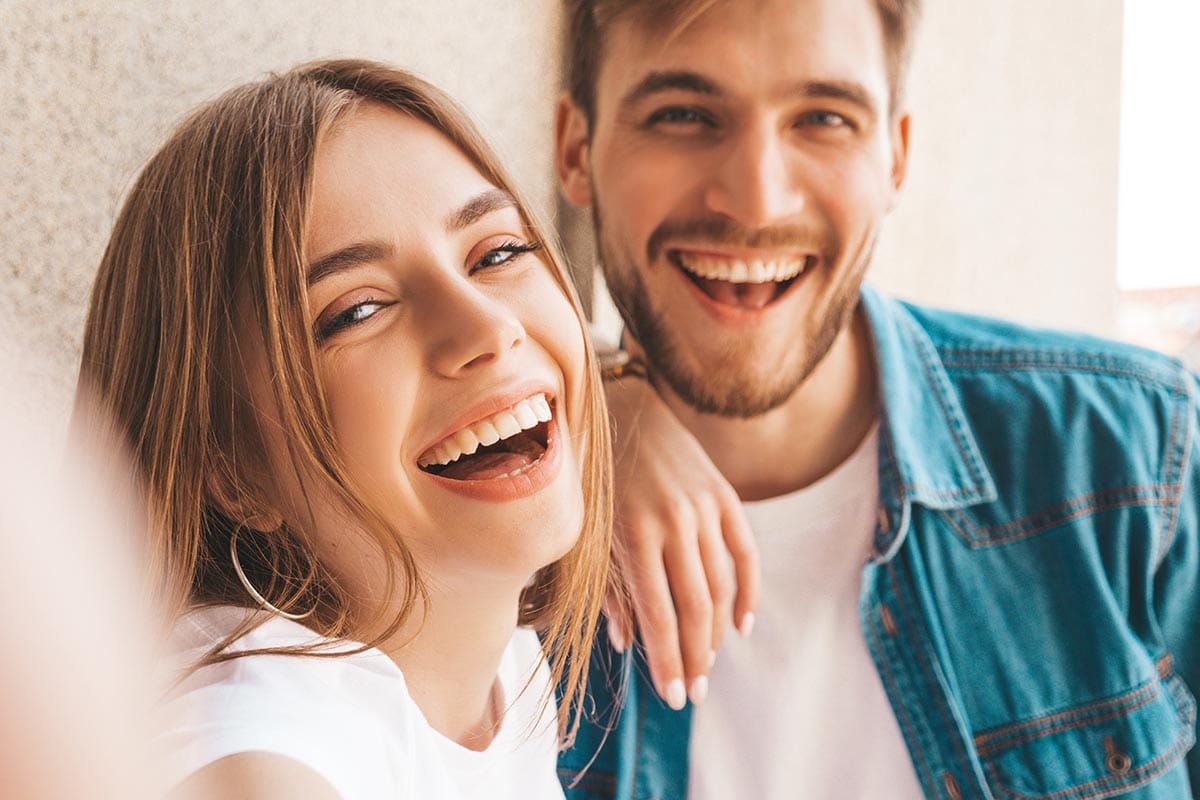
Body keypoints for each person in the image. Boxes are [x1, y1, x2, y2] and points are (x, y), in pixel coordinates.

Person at [552, 1, 1200, 798]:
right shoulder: (508, 547)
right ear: (575, 149)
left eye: (822, 118)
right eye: (683, 114)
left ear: (895, 158)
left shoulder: (1134, 455)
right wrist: (589, 400)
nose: (757, 201)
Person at [75, 58, 614, 800]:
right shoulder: (258, 741)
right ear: (230, 469)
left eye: (497, 253)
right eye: (357, 311)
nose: (488, 329)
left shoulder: (502, 667)